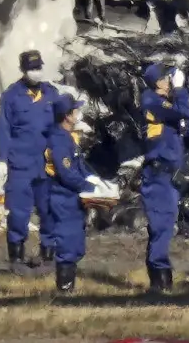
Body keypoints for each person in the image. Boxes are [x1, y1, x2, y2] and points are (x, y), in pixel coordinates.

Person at [0, 50, 60, 276]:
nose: (36, 72)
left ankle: (48, 255)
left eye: (39, 67)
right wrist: (1, 159)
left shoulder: (52, 94)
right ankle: (17, 257)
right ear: (23, 70)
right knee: (19, 213)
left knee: (49, 210)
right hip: (20, 164)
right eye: (32, 69)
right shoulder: (11, 96)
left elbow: (62, 125)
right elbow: (3, 130)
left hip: (47, 164)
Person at [139, 61, 189, 294]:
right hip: (158, 174)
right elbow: (180, 112)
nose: (170, 80)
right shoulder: (151, 101)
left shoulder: (168, 106)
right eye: (167, 77)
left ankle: (160, 279)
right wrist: (183, 92)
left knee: (165, 224)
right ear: (157, 82)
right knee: (162, 225)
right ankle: (160, 280)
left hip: (171, 175)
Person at [45, 94, 112, 293]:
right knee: (68, 242)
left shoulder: (67, 137)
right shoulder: (58, 141)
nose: (78, 113)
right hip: (63, 197)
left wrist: (95, 181)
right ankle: (65, 289)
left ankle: (68, 284)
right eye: (75, 110)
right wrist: (88, 187)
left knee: (76, 244)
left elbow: (79, 166)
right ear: (67, 116)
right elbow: (66, 173)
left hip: (73, 198)